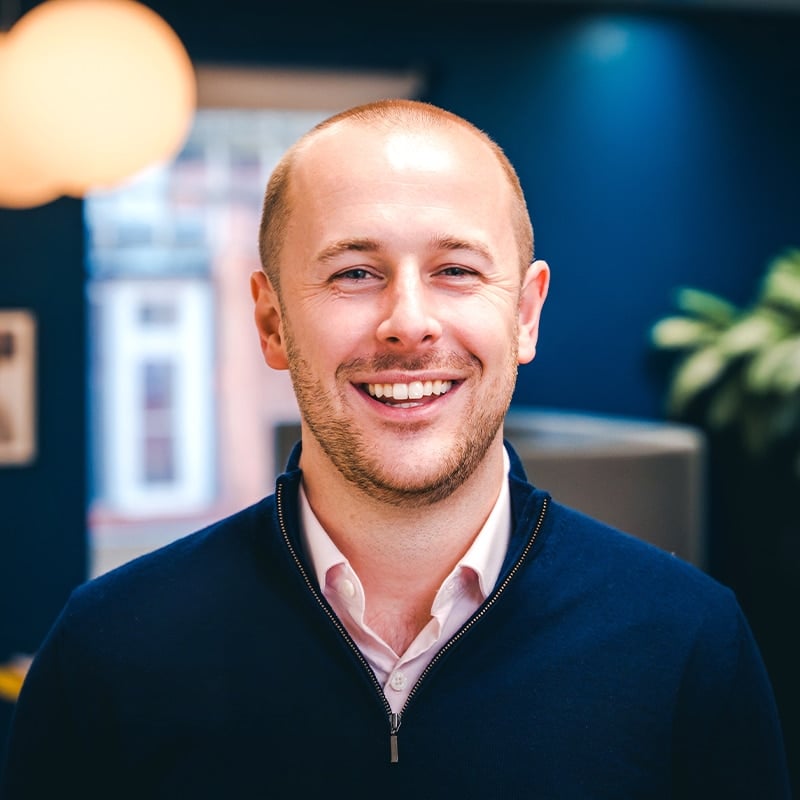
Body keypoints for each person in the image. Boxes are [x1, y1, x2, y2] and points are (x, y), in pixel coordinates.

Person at [1, 99, 790, 798]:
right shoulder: (110, 648)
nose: (407, 322)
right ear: (273, 323)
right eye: (353, 272)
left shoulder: (687, 640)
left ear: (525, 315)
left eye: (455, 269)